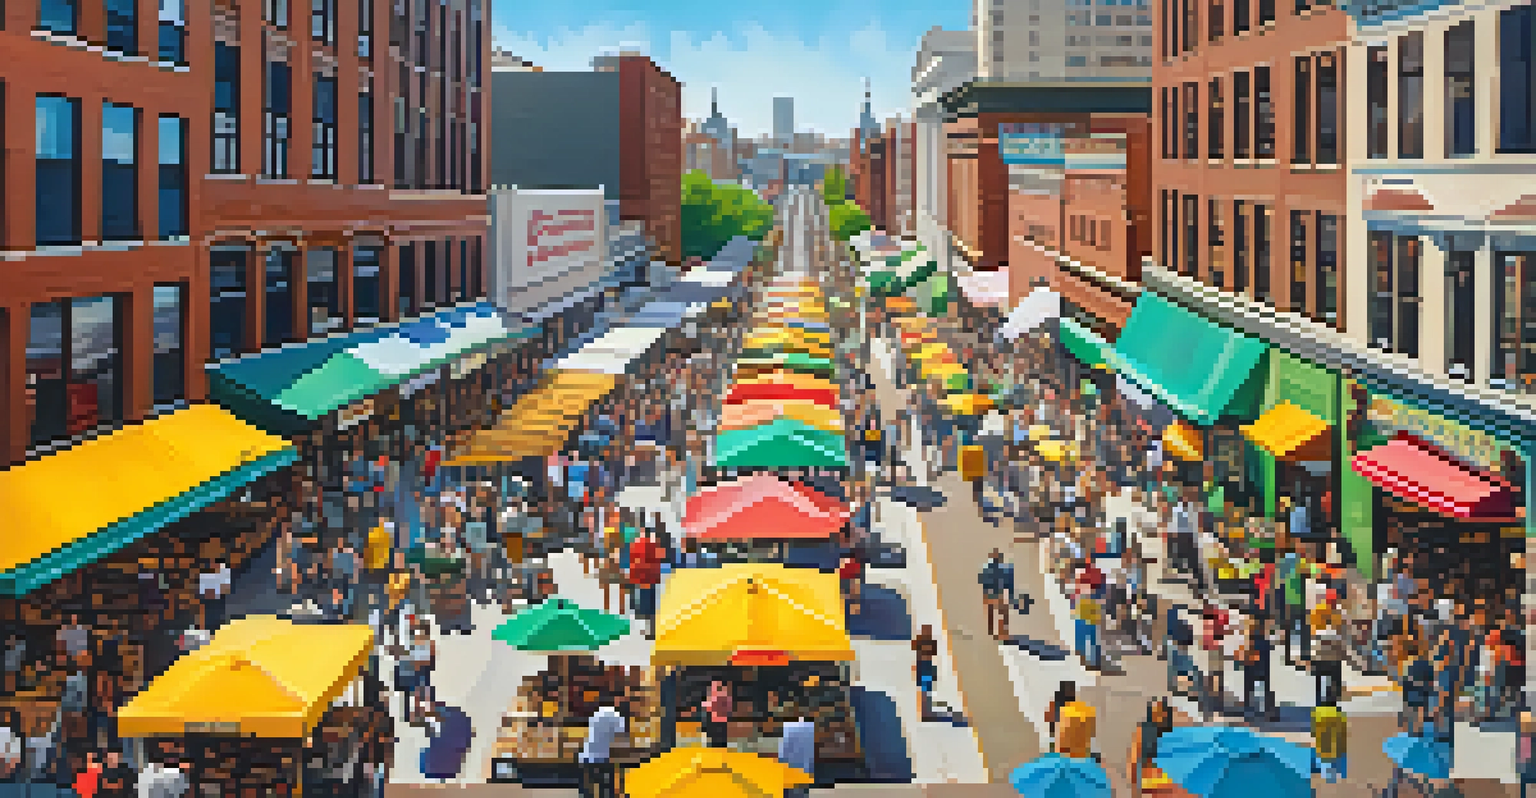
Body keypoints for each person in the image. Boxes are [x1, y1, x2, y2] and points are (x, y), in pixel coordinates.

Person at [1128, 698, 1174, 797]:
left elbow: (1134, 758)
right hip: (1152, 779)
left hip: (1160, 781)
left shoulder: (1170, 733)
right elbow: (1134, 758)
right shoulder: (1144, 730)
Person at [579, 705, 626, 798]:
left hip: (588, 755)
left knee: (588, 788)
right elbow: (617, 741)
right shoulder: (617, 716)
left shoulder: (597, 713)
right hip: (604, 757)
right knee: (608, 787)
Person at [979, 550, 1015, 640]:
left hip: (989, 593)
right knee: (1003, 612)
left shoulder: (986, 569)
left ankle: (991, 629)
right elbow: (1008, 583)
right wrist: (1010, 595)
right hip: (1000, 594)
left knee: (990, 612)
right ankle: (1003, 631)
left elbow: (981, 579)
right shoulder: (1005, 569)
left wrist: (985, 592)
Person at [1311, 700, 1348, 784]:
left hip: (1324, 750)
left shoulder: (1317, 713)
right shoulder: (1340, 715)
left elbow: (1314, 732)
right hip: (1335, 751)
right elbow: (1343, 733)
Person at [912, 625, 940, 720]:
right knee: (924, 691)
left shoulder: (928, 642)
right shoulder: (922, 641)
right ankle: (925, 711)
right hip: (923, 667)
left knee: (926, 690)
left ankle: (926, 711)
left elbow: (933, 653)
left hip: (926, 667)